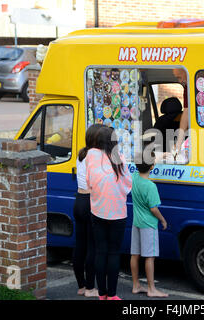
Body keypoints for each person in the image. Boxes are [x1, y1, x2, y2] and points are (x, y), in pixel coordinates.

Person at [85, 125, 132, 300]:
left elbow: (89, 183)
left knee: (100, 252)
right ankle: (112, 295)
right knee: (113, 253)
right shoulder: (119, 159)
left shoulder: (90, 156)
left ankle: (101, 293)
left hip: (97, 211)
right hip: (118, 213)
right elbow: (128, 187)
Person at [130, 153, 169, 298]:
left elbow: (141, 165)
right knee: (149, 257)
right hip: (149, 224)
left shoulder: (134, 177)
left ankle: (136, 285)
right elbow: (154, 208)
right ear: (152, 167)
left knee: (135, 255)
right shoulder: (151, 186)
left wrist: (151, 159)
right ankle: (151, 289)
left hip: (136, 223)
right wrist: (163, 220)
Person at [72, 123, 103, 298]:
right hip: (91, 201)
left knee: (80, 245)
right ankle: (91, 288)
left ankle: (81, 286)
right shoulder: (97, 157)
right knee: (92, 246)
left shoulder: (81, 154)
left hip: (79, 201)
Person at [172, 68, 188, 154]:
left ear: (187, 72)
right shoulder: (187, 88)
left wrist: (179, 142)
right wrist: (179, 143)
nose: (180, 81)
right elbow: (186, 111)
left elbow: (187, 112)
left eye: (179, 77)